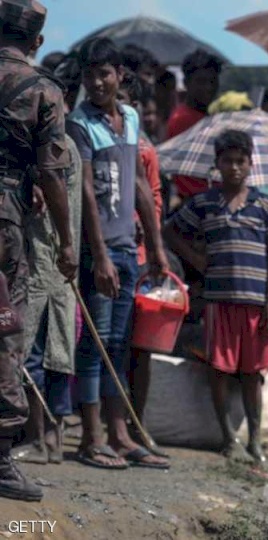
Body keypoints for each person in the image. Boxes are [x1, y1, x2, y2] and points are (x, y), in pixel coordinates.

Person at [67, 37, 169, 470]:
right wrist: (101, 255)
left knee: (119, 344)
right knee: (95, 343)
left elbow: (141, 185)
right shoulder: (79, 123)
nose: (97, 83)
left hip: (129, 248)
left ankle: (119, 433)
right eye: (89, 75)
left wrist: (157, 248)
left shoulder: (129, 118)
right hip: (101, 250)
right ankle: (91, 438)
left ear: (119, 76)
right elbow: (86, 192)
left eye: (104, 74)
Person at [164, 130, 268, 465]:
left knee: (252, 373)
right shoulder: (204, 203)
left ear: (250, 164)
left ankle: (255, 440)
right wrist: (196, 258)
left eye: (240, 161)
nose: (234, 167)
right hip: (219, 301)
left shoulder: (265, 205)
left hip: (256, 304)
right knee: (219, 369)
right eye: (227, 161)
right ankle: (228, 437)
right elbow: (169, 231)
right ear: (217, 164)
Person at [0, 0, 79, 501]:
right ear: (37, 42)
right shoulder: (43, 89)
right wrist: (67, 242)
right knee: (5, 328)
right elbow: (52, 172)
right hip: (5, 220)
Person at [16, 65, 83, 466]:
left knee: (39, 352)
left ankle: (43, 439)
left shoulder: (53, 147)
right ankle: (47, 439)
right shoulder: (59, 144)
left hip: (47, 261)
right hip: (54, 262)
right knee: (53, 353)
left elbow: (52, 188)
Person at [116, 70, 166, 455]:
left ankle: (137, 420)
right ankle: (115, 420)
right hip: (111, 249)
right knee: (113, 340)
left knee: (140, 344)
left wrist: (151, 241)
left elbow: (154, 199)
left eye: (127, 102)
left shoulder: (145, 149)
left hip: (140, 255)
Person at [167, 49, 222, 199]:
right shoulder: (183, 119)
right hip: (197, 200)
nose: (208, 88)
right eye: (201, 82)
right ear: (186, 83)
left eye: (212, 81)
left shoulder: (204, 117)